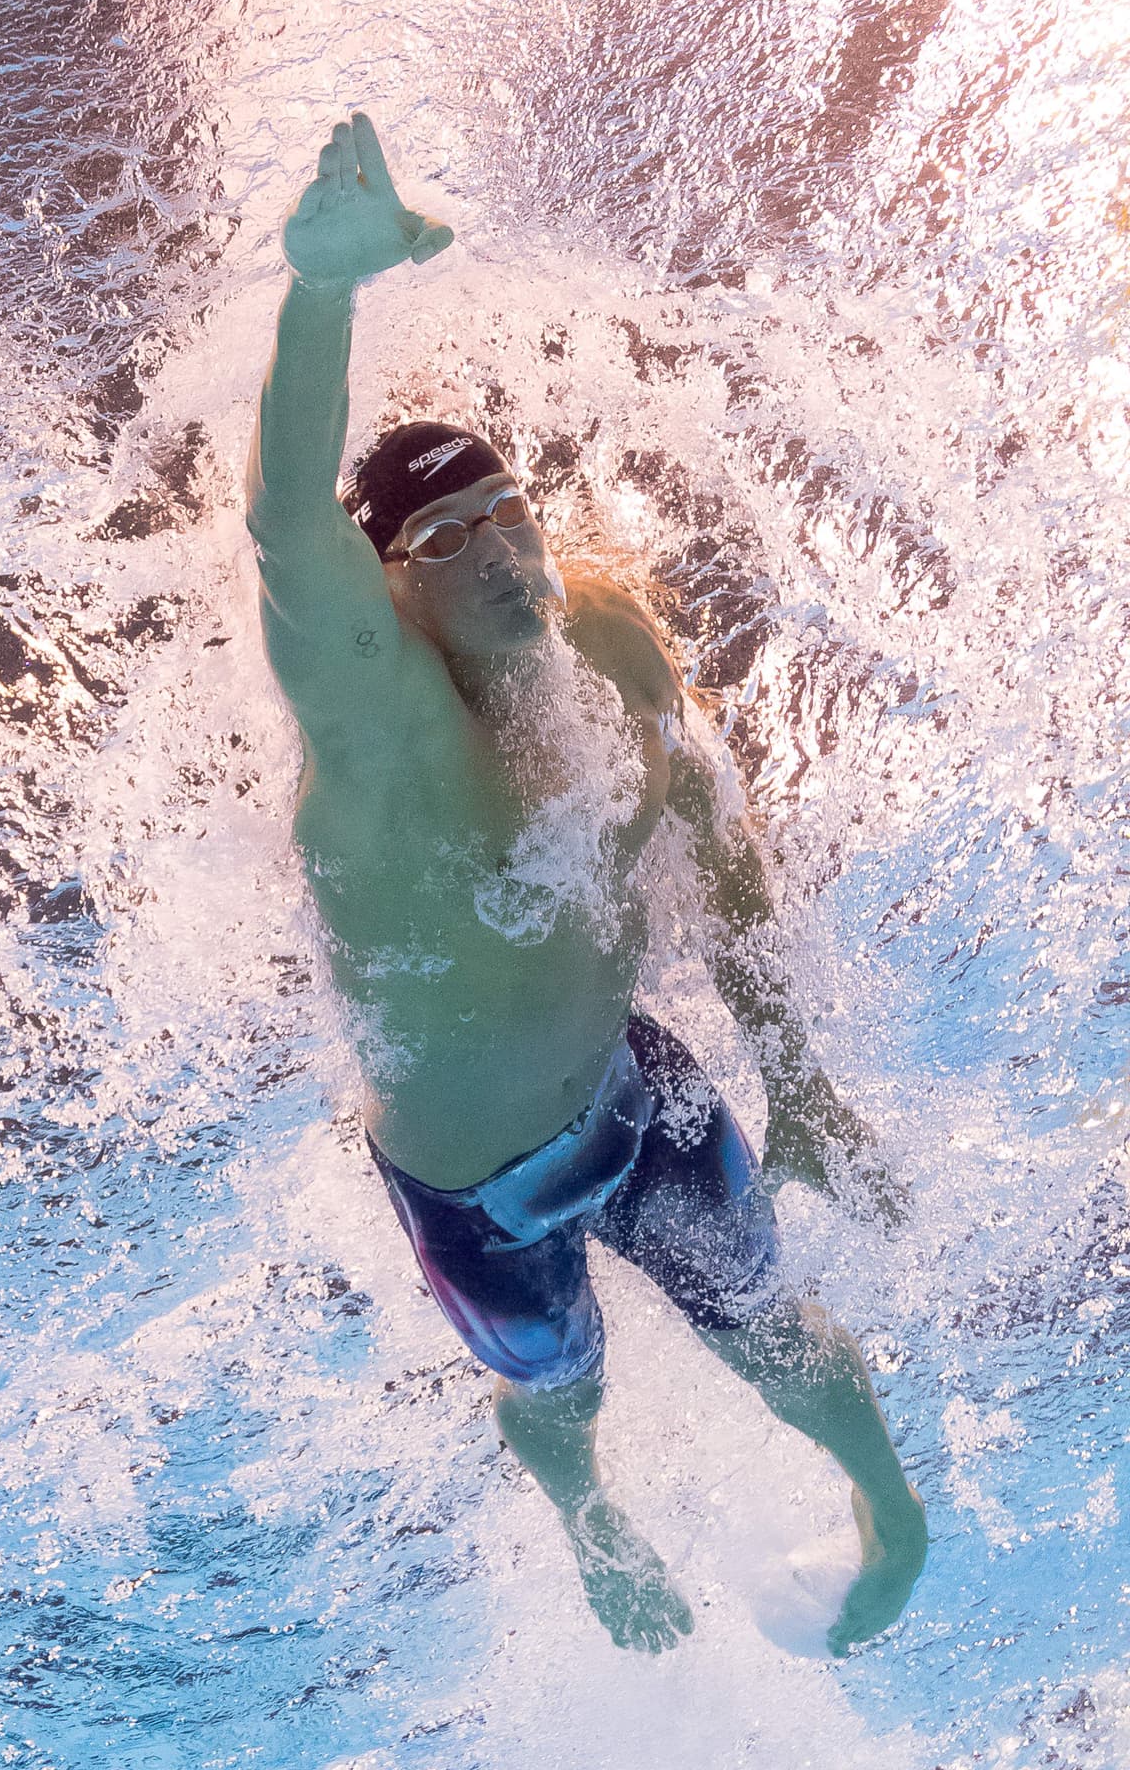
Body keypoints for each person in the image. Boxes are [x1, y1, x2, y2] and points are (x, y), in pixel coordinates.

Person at [245, 111, 927, 1655]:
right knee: (559, 1390)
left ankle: (897, 1512)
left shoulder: (604, 646)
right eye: (442, 537)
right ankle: (591, 1520)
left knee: (768, 1322)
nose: (497, 552)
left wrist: (800, 1073)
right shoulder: (385, 749)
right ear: (394, 596)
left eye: (506, 512)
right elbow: (289, 530)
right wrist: (322, 293)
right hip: (478, 1193)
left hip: (637, 1094)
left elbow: (715, 847)